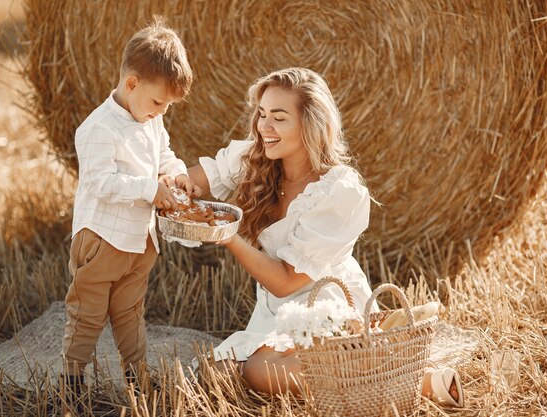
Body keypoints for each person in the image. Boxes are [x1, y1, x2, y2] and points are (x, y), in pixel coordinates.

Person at [187, 67, 463, 407]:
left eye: (279, 118)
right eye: (261, 115)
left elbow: (288, 281)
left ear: (309, 125)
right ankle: (378, 370)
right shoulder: (257, 158)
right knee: (217, 369)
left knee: (259, 371)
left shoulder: (339, 191)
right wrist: (166, 186)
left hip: (324, 300)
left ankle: (410, 380)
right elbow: (195, 181)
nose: (264, 127)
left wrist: (228, 236)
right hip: (277, 309)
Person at [60, 18, 199, 393]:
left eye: (168, 105)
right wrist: (150, 189)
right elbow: (99, 183)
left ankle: (136, 376)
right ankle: (72, 380)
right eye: (158, 101)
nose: (162, 111)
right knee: (87, 314)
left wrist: (176, 173)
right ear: (132, 83)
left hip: (140, 241)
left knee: (130, 312)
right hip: (102, 239)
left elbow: (164, 154)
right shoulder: (97, 128)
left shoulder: (150, 120)